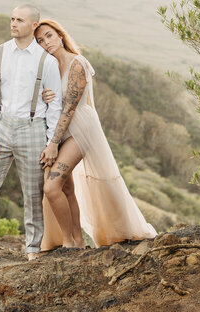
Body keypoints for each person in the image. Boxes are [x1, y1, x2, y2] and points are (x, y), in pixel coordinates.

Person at [35, 19, 157, 250]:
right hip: (58, 129)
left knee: (51, 188)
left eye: (49, 36)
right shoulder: (48, 68)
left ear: (60, 36)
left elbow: (70, 107)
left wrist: (52, 144)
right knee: (67, 188)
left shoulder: (77, 63)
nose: (46, 43)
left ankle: (70, 242)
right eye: (40, 40)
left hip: (79, 128)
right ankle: (76, 241)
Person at [0, 4, 62, 261]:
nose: (13, 24)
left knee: (33, 193)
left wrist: (51, 142)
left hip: (33, 128)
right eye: (12, 19)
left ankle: (33, 248)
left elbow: (55, 104)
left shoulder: (46, 61)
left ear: (33, 25)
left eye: (20, 20)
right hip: (1, 125)